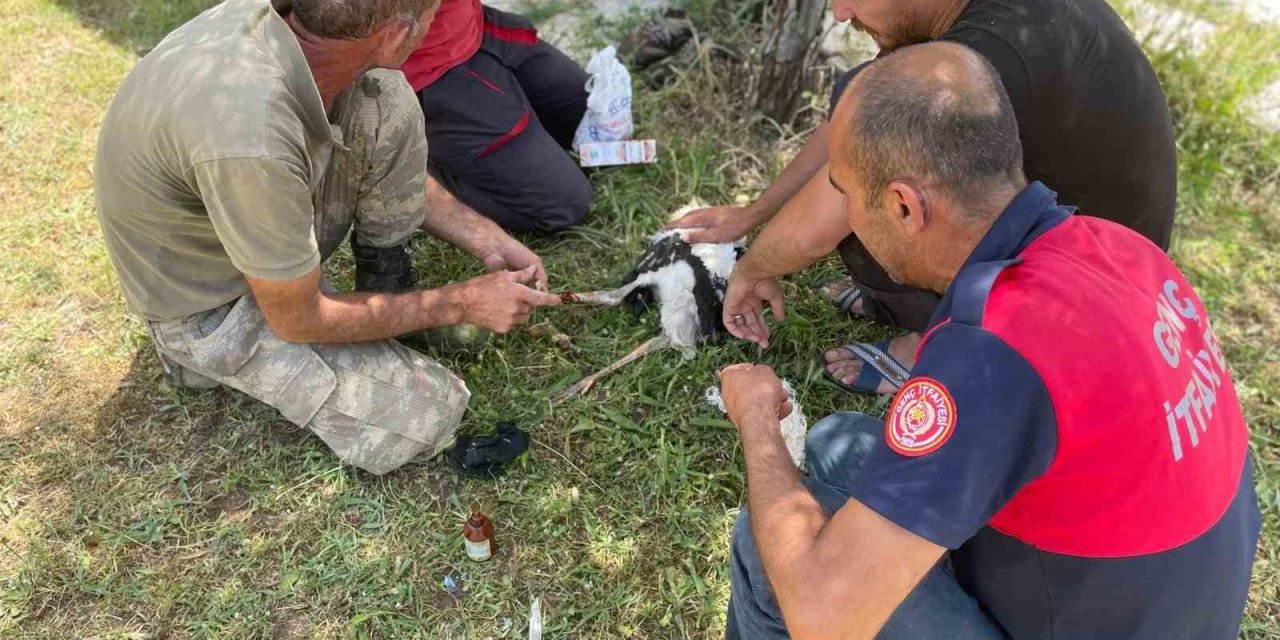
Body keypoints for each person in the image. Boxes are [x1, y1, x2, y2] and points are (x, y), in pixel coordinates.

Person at [718, 42, 1258, 640]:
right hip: (1153, 604)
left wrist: (758, 421)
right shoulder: (1118, 247)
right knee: (834, 445)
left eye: (846, 192)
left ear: (903, 206)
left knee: (771, 554)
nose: (844, 209)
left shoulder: (993, 349)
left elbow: (822, 615)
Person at [94, 0, 561, 475]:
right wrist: (458, 303)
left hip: (244, 223)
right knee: (426, 412)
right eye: (431, 15)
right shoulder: (253, 136)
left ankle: (386, 288)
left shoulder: (292, 27)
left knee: (384, 98)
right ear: (397, 36)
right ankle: (191, 360)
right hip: (210, 304)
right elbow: (297, 318)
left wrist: (483, 236)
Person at [675, 0, 1177, 396]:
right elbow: (854, 124)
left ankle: (927, 344)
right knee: (867, 147)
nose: (840, 12)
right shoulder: (956, 24)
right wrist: (755, 213)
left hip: (1088, 303)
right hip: (1099, 248)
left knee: (867, 205)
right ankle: (918, 307)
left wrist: (756, 268)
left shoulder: (989, 53)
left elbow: (818, 224)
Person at [402, 0, 594, 233]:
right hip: (426, 72)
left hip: (471, 26)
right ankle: (412, 167)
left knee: (591, 122)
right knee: (565, 205)